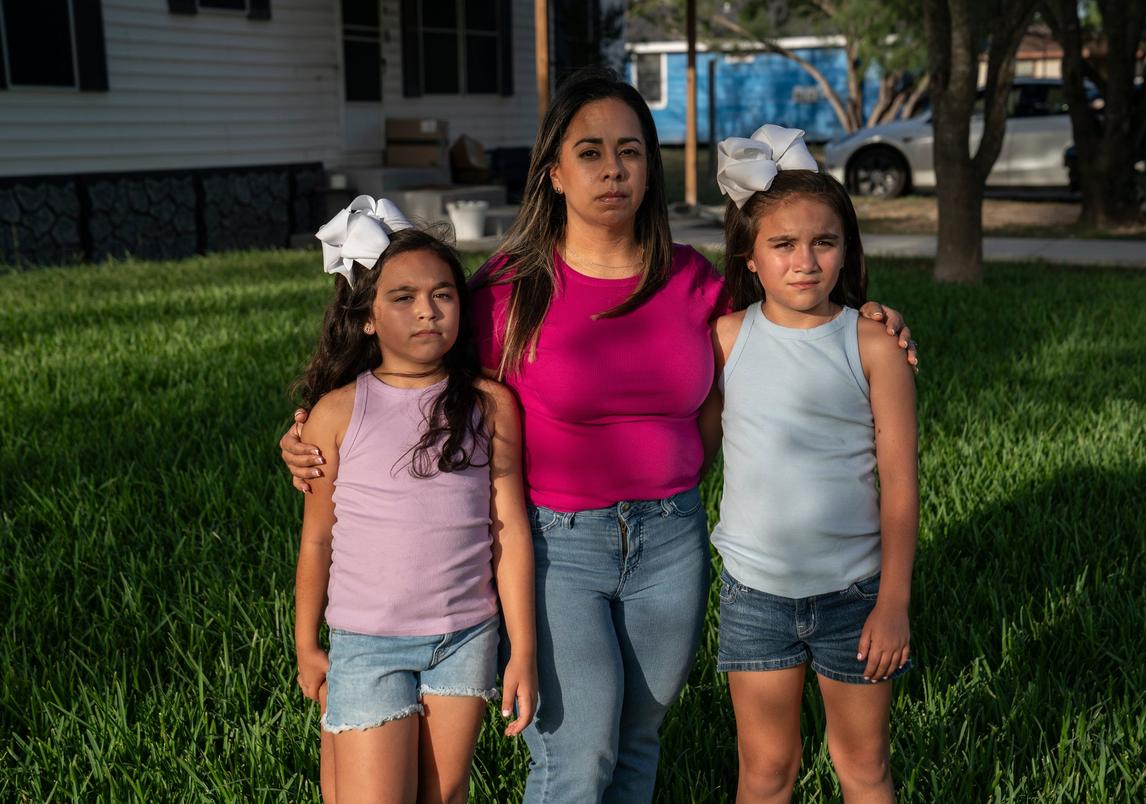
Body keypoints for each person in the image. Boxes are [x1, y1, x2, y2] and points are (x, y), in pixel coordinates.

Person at [282, 69, 916, 803]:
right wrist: (304, 432)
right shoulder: (506, 290)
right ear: (552, 171)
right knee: (579, 758)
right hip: (556, 547)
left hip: (672, 542)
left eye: (630, 151)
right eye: (589, 152)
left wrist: (877, 316)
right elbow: (402, 378)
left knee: (638, 745)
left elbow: (792, 328)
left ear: (650, 167)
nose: (613, 169)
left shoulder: (694, 282)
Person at [292, 196, 536, 803]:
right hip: (369, 642)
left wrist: (523, 648)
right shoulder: (338, 411)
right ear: (367, 317)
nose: (427, 311)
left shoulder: (488, 404)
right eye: (403, 298)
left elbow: (509, 529)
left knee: (445, 795)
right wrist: (305, 644)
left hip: (466, 637)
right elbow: (318, 536)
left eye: (443, 294)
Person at [709, 126, 918, 803]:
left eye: (824, 242)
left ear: (847, 249)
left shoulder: (873, 344)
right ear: (749, 258)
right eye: (783, 244)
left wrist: (893, 603)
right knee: (766, 772)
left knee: (863, 766)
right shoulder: (725, 339)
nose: (805, 261)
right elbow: (693, 443)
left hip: (855, 595)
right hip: (754, 594)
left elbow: (901, 487)